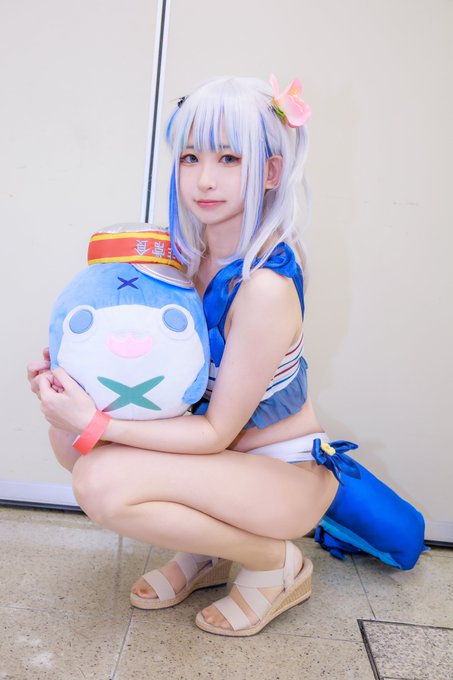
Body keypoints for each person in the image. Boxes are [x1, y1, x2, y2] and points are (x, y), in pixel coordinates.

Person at [27, 75, 351, 637]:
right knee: (67, 439)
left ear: (271, 171)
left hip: (282, 477)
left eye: (230, 158)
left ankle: (273, 562)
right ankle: (206, 552)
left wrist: (95, 421)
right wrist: (74, 381)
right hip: (218, 466)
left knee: (100, 480)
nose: (204, 179)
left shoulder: (264, 287)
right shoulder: (181, 260)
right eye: (190, 157)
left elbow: (215, 433)